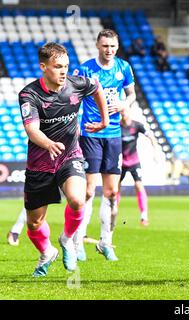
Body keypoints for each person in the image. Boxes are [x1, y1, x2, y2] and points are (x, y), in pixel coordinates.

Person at [19, 42, 108, 277]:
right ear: (43, 67)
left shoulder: (76, 84)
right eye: (58, 66)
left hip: (70, 156)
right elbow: (32, 129)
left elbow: (97, 88)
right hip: (40, 163)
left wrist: (104, 120)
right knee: (34, 224)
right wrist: (48, 144)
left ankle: (67, 239)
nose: (63, 71)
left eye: (66, 66)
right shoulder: (29, 94)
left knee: (78, 200)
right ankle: (47, 252)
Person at [73, 29, 136, 262]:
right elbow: (74, 98)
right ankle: (78, 240)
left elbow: (132, 95)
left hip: (114, 134)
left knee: (111, 191)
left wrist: (123, 105)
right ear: (97, 46)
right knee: (89, 190)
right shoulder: (84, 69)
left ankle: (105, 242)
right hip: (90, 134)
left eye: (112, 46)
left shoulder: (124, 67)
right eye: (105, 46)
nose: (109, 50)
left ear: (117, 47)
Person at [117, 107, 157, 226]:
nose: (123, 113)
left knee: (139, 185)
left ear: (129, 112)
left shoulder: (137, 125)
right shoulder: (117, 126)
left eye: (125, 111)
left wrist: (155, 151)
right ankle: (112, 212)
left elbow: (151, 136)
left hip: (134, 162)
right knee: (115, 189)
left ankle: (144, 216)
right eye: (122, 111)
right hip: (120, 162)